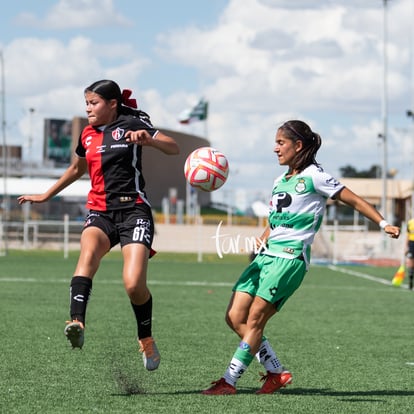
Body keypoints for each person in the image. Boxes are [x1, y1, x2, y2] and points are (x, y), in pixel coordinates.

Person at [202, 120, 400, 395]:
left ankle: (229, 382)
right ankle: (276, 373)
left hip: (289, 259)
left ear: (298, 145)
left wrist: (382, 223)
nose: (275, 149)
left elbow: (353, 200)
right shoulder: (279, 181)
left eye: (281, 143)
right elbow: (275, 221)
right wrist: (260, 242)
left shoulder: (315, 176)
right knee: (235, 317)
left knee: (256, 318)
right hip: (266, 257)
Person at [18, 79, 179, 371]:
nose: (88, 109)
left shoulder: (132, 123)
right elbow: (76, 169)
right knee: (87, 255)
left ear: (112, 104)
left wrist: (149, 139)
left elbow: (173, 147)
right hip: (100, 211)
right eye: (87, 104)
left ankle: (146, 339)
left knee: (133, 285)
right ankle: (76, 321)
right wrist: (45, 194)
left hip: (134, 211)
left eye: (94, 103)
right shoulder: (87, 135)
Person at [405, 218, 414, 290]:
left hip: (411, 244)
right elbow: (407, 235)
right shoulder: (410, 222)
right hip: (412, 244)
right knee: (411, 263)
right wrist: (406, 247)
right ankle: (410, 282)